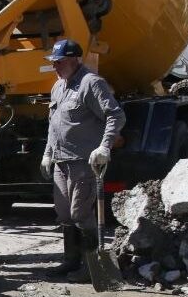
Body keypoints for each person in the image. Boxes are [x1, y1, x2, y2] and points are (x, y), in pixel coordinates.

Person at [39, 39, 125, 283]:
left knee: (80, 213)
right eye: (53, 62)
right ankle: (71, 261)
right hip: (61, 161)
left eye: (60, 62)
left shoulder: (91, 83)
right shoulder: (58, 86)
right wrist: (47, 153)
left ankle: (91, 267)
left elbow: (115, 115)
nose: (55, 67)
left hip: (83, 161)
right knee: (64, 214)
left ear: (74, 60)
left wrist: (104, 146)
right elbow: (53, 124)